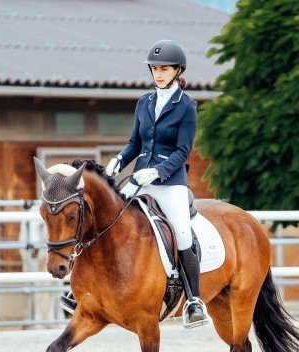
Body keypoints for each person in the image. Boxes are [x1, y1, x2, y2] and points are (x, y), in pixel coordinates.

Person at [60, 39, 209, 327]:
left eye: (164, 69)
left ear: (178, 70)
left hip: (170, 182)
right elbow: (135, 142)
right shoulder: (145, 102)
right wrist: (119, 159)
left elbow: (182, 151)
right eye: (155, 69)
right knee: (102, 218)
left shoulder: (186, 106)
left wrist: (157, 172)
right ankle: (78, 290)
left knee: (181, 232)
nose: (158, 74)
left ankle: (193, 300)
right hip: (139, 177)